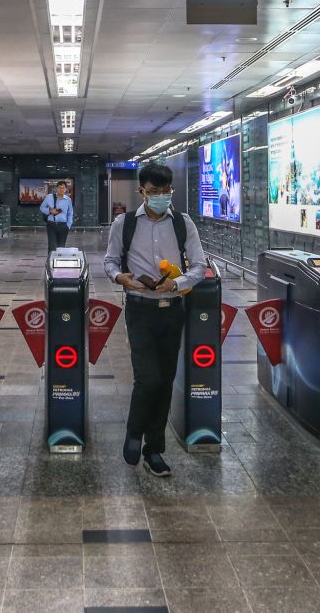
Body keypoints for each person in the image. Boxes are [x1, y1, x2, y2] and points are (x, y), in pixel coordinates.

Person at [104, 163, 207, 477]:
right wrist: (120, 277)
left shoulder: (183, 224)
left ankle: (154, 451)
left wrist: (176, 283)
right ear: (142, 192)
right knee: (147, 378)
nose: (161, 197)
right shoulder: (124, 224)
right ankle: (135, 432)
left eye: (166, 192)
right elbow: (109, 261)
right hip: (140, 310)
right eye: (154, 192)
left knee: (164, 382)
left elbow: (199, 267)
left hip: (172, 309)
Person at [40, 180, 74, 253]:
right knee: (52, 247)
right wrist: (49, 210)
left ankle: (59, 263)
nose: (61, 189)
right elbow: (42, 208)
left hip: (63, 226)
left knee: (61, 247)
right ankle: (50, 263)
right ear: (56, 188)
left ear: (66, 189)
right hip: (52, 225)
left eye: (63, 188)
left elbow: (70, 213)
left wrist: (68, 225)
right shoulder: (49, 197)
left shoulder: (68, 200)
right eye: (59, 187)